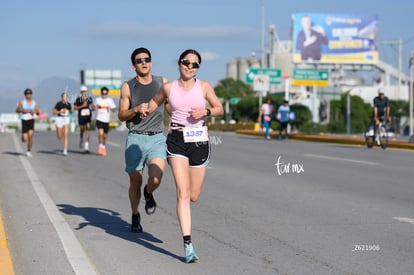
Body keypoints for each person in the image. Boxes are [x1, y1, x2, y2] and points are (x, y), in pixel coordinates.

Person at [141, 49, 224, 263]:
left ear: (198, 68)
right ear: (179, 64)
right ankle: (188, 244)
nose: (190, 66)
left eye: (194, 64)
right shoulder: (169, 88)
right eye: (186, 62)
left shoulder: (204, 87)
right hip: (177, 140)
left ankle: (149, 193)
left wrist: (205, 112)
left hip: (198, 142)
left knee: (194, 195)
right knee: (183, 192)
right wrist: (144, 110)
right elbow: (154, 102)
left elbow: (219, 108)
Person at [118, 47, 169, 233]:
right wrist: (136, 109)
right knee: (135, 182)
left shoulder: (162, 82)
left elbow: (171, 106)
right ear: (134, 66)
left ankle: (149, 193)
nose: (144, 62)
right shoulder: (128, 86)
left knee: (155, 178)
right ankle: (135, 215)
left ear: (151, 62)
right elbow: (121, 115)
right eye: (139, 60)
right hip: (135, 138)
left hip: (156, 137)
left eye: (146, 59)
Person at [15, 88, 39, 157]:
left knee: (30, 136)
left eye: (30, 94)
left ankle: (28, 151)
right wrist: (22, 110)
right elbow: (17, 110)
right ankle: (23, 138)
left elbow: (38, 112)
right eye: (27, 94)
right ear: (25, 95)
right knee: (25, 138)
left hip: (31, 120)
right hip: (24, 121)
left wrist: (34, 111)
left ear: (31, 94)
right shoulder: (22, 102)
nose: (28, 95)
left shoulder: (35, 103)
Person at [94, 86, 116, 156]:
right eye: (103, 94)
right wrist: (95, 109)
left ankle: (103, 146)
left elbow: (114, 109)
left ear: (107, 93)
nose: (104, 95)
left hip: (106, 120)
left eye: (105, 94)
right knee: (100, 133)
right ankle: (100, 145)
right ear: (101, 93)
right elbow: (93, 107)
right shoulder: (97, 100)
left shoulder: (110, 100)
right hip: (99, 119)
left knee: (105, 136)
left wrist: (110, 108)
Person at [74, 85, 94, 152]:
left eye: (85, 91)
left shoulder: (90, 98)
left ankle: (86, 145)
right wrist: (82, 106)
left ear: (86, 92)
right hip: (81, 116)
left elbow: (92, 106)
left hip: (88, 116)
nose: (84, 93)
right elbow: (75, 108)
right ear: (81, 92)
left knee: (88, 128)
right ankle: (81, 138)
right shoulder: (78, 99)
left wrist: (93, 107)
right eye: (82, 92)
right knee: (82, 129)